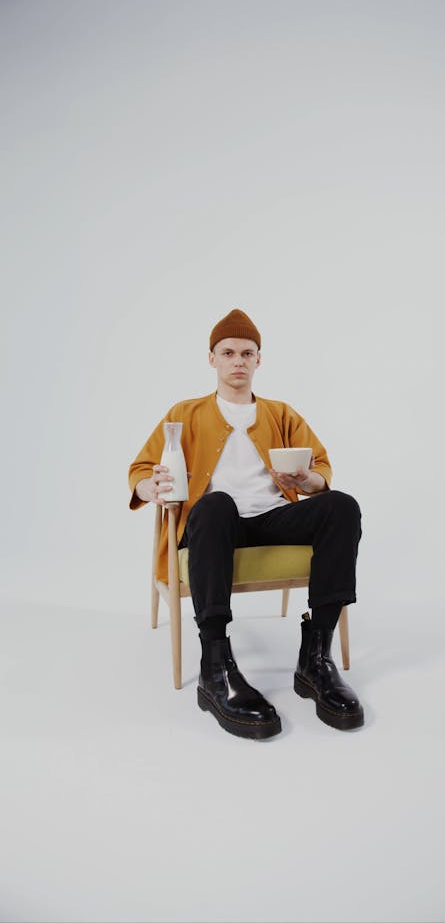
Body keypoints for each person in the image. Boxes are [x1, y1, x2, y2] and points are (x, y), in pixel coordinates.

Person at [128, 308, 363, 740]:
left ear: (259, 361)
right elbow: (141, 469)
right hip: (215, 524)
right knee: (216, 503)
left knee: (341, 506)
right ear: (212, 359)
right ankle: (215, 666)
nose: (238, 360)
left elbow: (321, 465)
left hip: (274, 517)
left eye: (247, 353)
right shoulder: (186, 412)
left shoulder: (280, 412)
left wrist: (308, 480)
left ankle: (315, 660)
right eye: (229, 352)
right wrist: (151, 487)